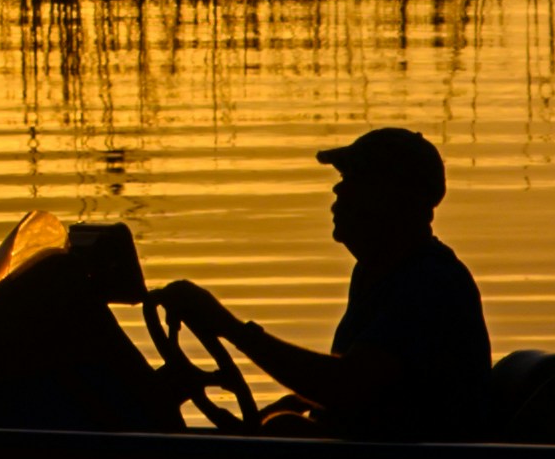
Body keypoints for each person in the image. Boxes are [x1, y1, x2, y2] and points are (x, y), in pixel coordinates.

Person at [159, 128, 493, 438]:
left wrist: (231, 329)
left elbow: (350, 386)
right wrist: (301, 401)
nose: (338, 189)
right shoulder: (378, 272)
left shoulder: (428, 284)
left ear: (390, 198)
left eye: (353, 179)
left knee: (285, 431)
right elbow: (374, 392)